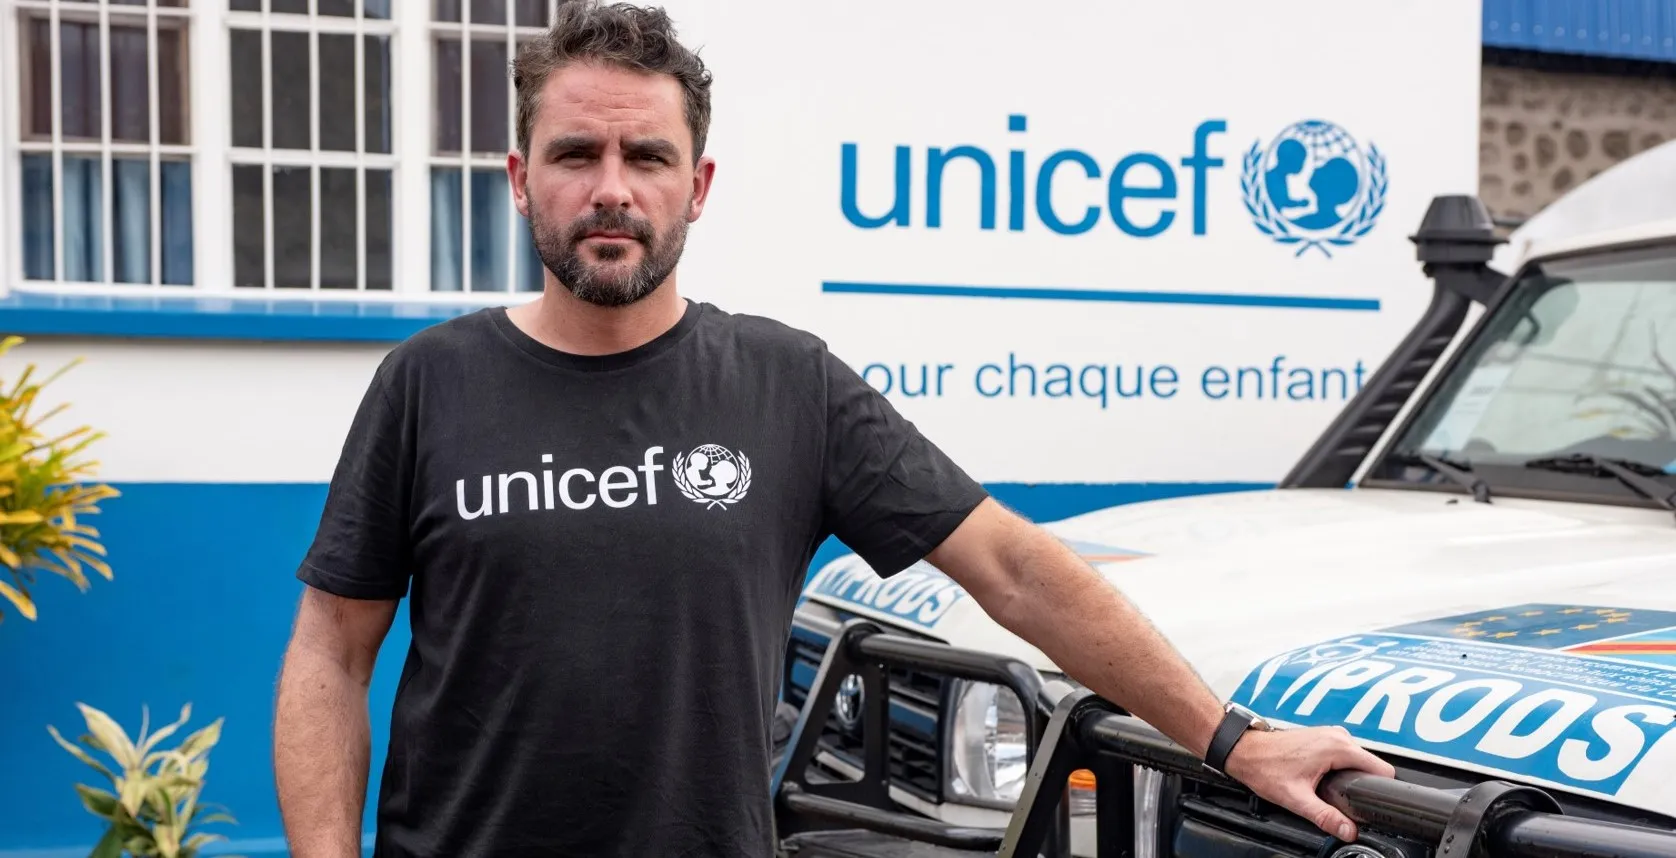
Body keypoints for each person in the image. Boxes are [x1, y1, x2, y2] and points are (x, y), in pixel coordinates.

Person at [270, 2, 1395, 856]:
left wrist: (1231, 739)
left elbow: (1012, 569)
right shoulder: (430, 383)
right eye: (576, 155)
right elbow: (331, 649)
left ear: (697, 185)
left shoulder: (787, 384)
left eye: (646, 157)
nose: (611, 188)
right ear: (521, 180)